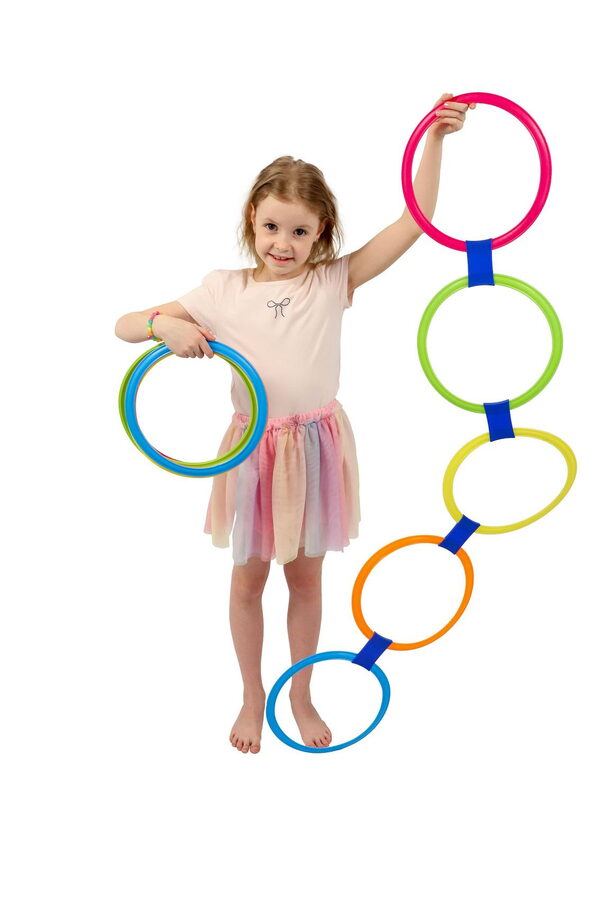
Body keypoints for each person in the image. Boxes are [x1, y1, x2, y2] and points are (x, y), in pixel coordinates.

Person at [115, 93, 476, 754]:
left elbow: (415, 222)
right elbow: (123, 326)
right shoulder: (221, 290)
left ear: (322, 232)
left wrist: (436, 139)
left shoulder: (333, 281)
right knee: (247, 580)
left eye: (301, 232)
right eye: (272, 227)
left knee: (306, 579)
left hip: (315, 448)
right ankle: (252, 695)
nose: (283, 244)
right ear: (252, 220)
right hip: (252, 453)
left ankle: (300, 692)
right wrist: (164, 325)